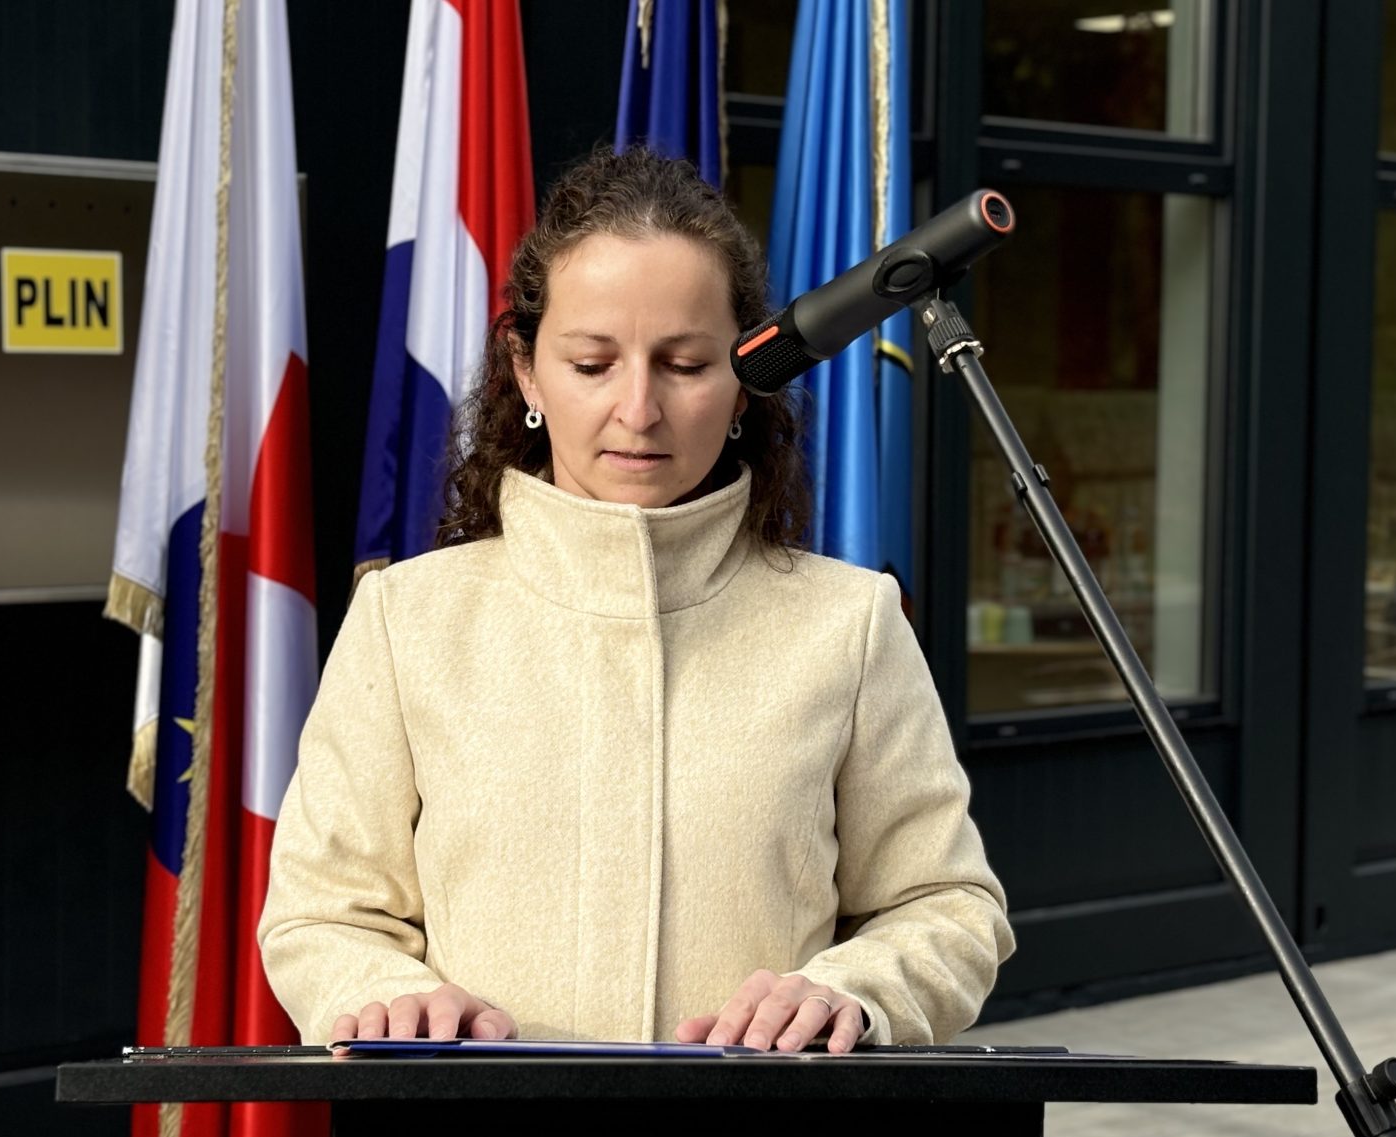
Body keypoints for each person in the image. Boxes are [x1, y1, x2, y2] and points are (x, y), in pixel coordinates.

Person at [259, 148, 1013, 1055]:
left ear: (746, 376)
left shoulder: (848, 625)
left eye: (685, 365)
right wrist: (382, 992)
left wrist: (851, 993)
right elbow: (322, 914)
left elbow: (948, 907)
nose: (639, 409)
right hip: (469, 1120)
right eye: (592, 364)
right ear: (528, 371)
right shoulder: (407, 621)